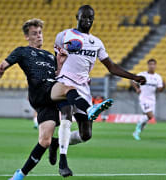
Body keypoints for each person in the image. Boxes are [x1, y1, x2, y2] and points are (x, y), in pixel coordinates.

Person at [0, 19, 111, 180]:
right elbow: (6, 62)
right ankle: (90, 109)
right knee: (68, 88)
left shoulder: (50, 55)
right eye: (34, 34)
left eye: (40, 33)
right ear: (27, 37)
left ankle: (19, 175)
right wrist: (0, 69)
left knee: (45, 141)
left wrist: (60, 63)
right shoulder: (22, 51)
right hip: (40, 90)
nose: (39, 36)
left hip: (49, 98)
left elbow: (57, 75)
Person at [51, 5, 147, 177]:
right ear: (77, 17)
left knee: (86, 134)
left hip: (83, 88)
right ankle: (63, 162)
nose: (87, 20)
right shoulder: (64, 35)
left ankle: (57, 143)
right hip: (65, 82)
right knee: (66, 115)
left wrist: (133, 76)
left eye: (90, 18)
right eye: (84, 17)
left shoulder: (97, 43)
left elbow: (111, 67)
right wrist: (54, 75)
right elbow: (56, 58)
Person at [132, 59, 164, 140]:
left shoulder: (158, 77)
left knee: (148, 118)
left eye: (153, 64)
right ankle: (137, 127)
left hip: (152, 99)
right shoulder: (142, 75)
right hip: (143, 98)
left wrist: (161, 88)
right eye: (150, 64)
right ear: (148, 65)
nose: (152, 66)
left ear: (155, 66)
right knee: (150, 115)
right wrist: (137, 89)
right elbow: (133, 81)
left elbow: (160, 88)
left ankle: (138, 131)